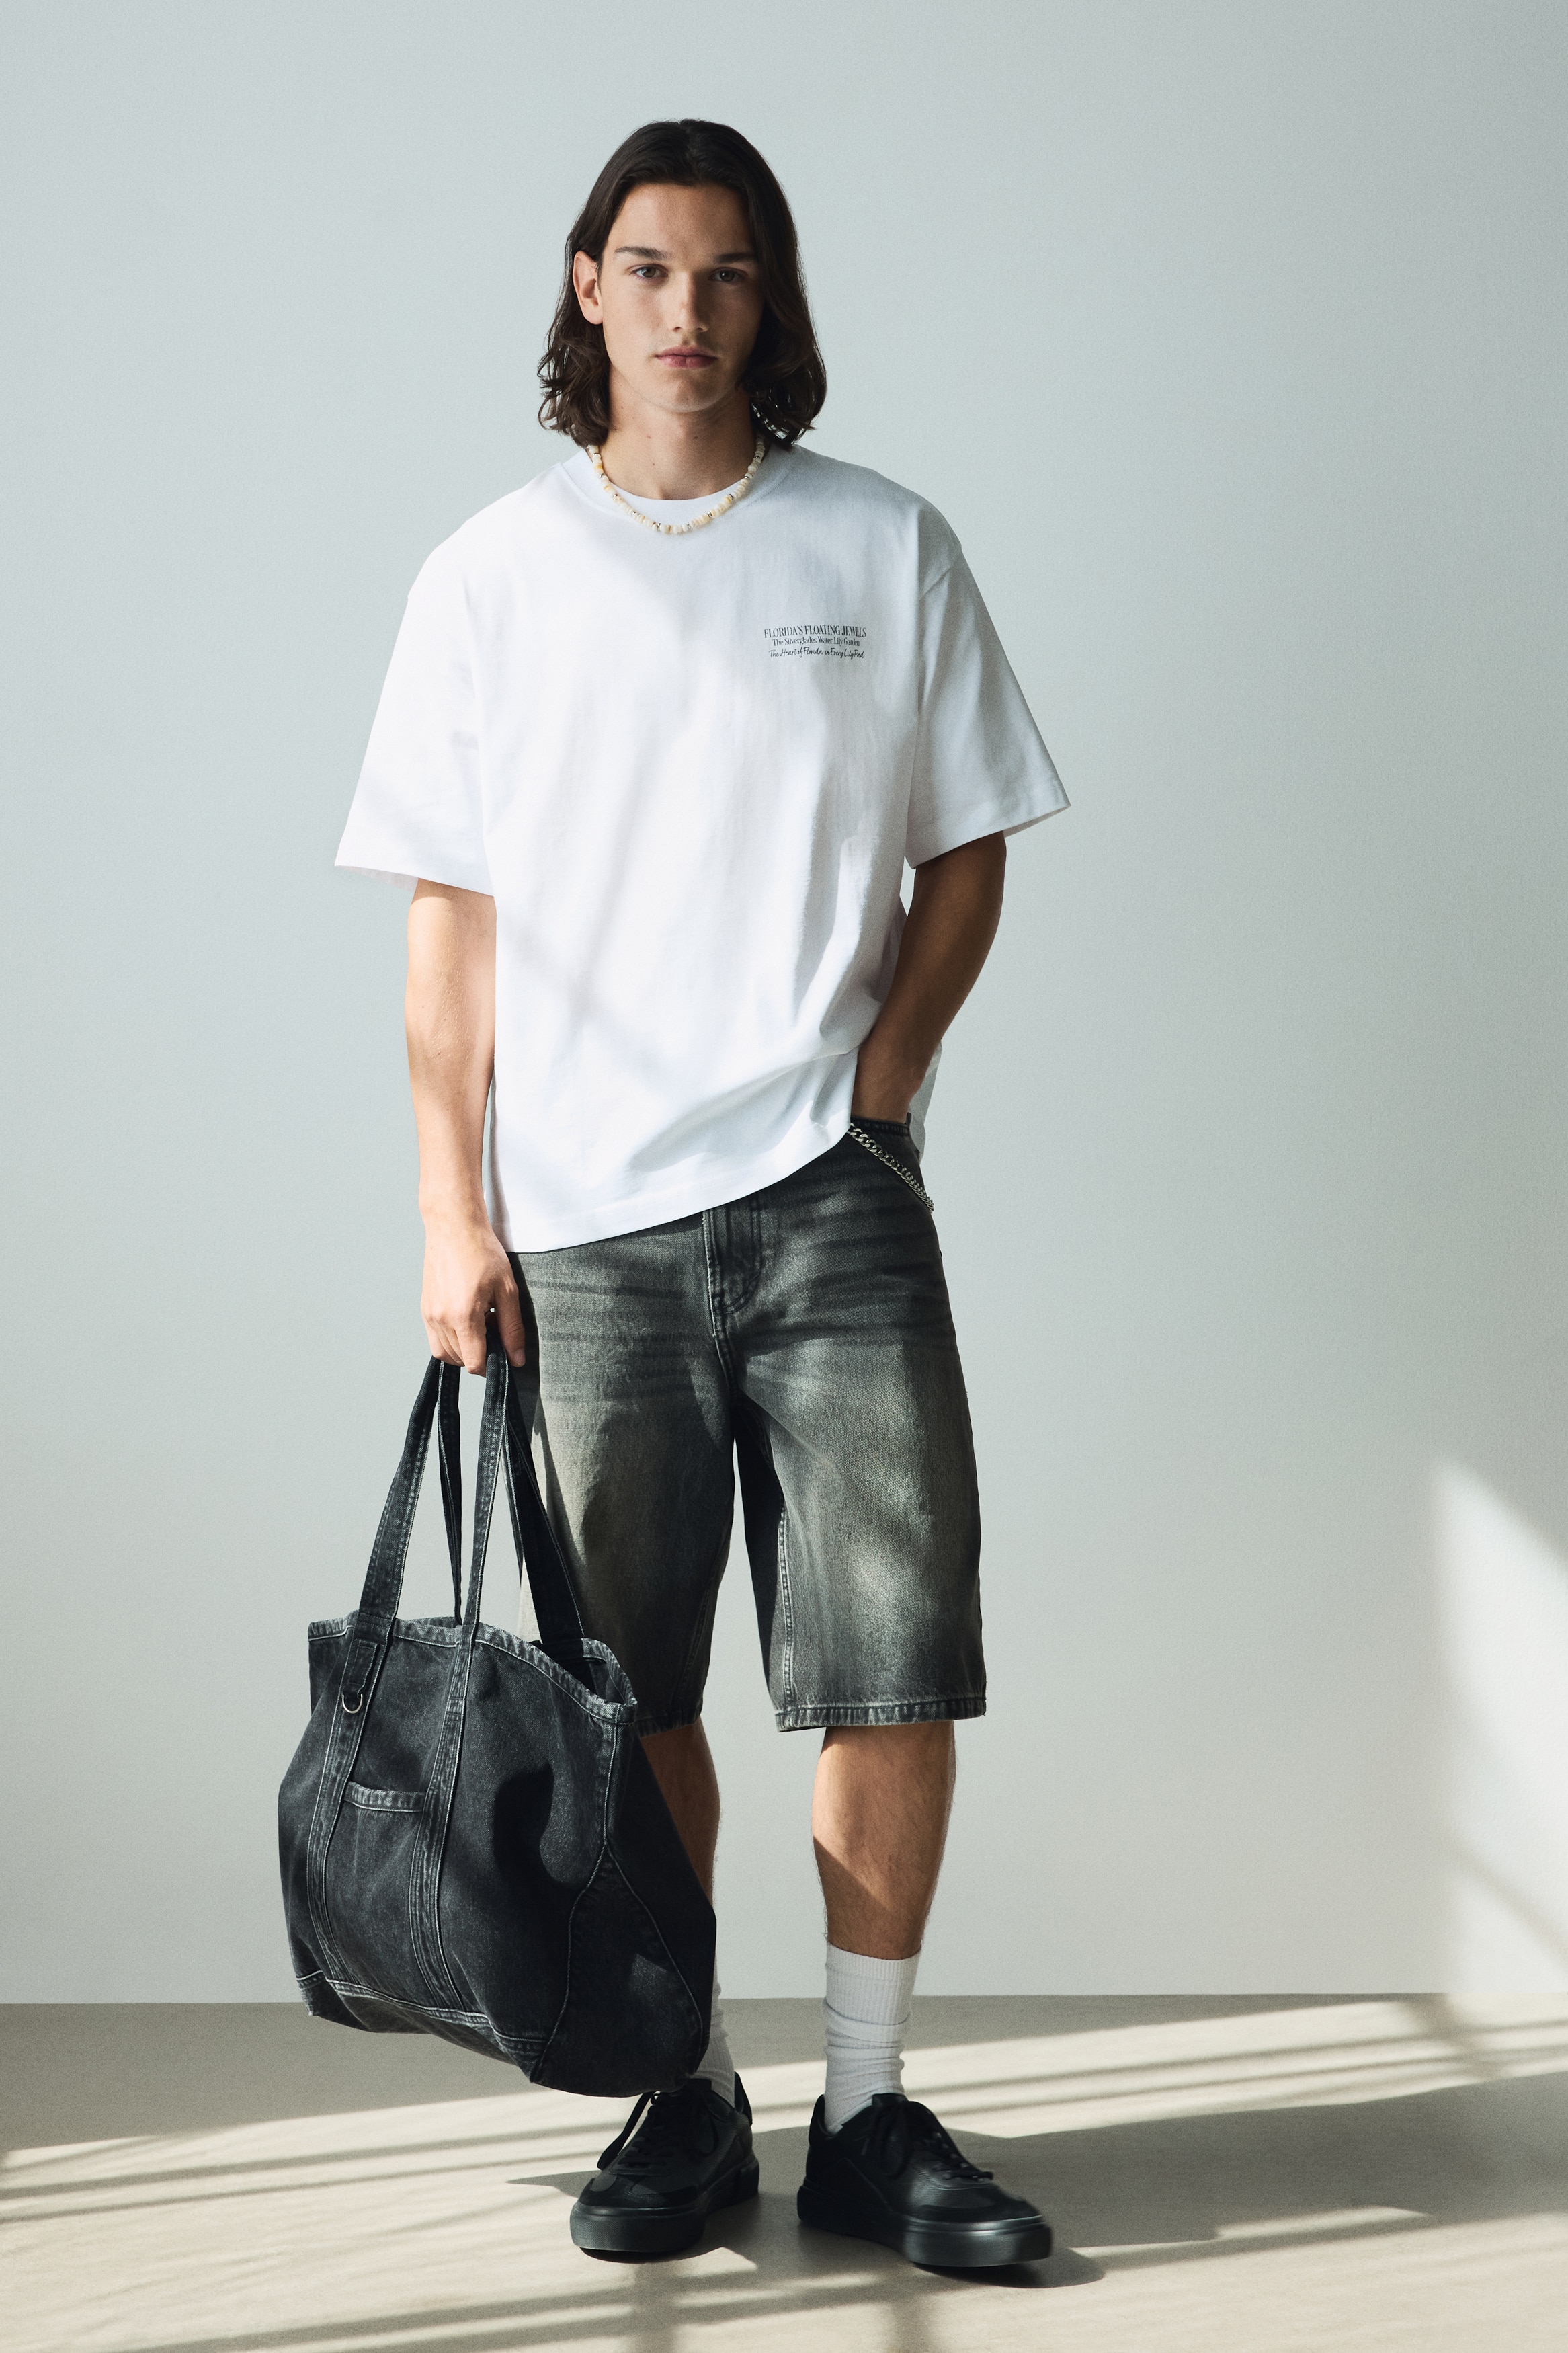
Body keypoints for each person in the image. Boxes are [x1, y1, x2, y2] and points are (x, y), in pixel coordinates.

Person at [337, 117, 1067, 2270]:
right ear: (589, 289)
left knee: (893, 1667)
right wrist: (450, 1210)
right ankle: (685, 2086)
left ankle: (870, 2104)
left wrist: (884, 1080)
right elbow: (449, 935)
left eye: (728, 272)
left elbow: (972, 843)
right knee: (627, 1691)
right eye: (649, 268)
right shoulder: (489, 577)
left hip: (837, 1204)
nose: (687, 308)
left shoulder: (883, 544)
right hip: (587, 1222)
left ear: (773, 300)